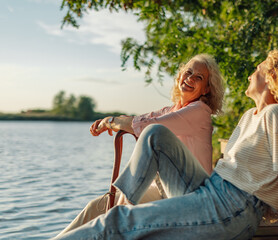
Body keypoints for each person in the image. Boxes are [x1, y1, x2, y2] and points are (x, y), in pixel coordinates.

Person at [54, 48, 278, 240]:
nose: (252, 72)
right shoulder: (252, 115)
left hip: (230, 209)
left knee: (116, 221)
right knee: (153, 135)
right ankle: (125, 201)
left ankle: (123, 210)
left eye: (259, 68)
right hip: (215, 193)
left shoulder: (277, 114)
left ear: (271, 77)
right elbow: (267, 176)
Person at [55, 54, 224, 237]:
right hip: (165, 191)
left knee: (117, 210)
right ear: (180, 75)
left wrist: (110, 121)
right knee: (97, 207)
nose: (190, 78)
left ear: (206, 89)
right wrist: (112, 120)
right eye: (188, 72)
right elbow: (138, 120)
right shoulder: (173, 110)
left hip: (190, 197)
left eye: (198, 77)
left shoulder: (198, 111)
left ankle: (116, 223)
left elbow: (147, 127)